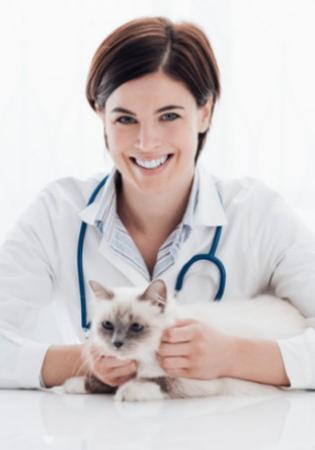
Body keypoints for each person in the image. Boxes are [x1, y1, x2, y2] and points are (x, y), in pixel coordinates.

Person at [0, 16, 315, 392]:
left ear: (205, 112)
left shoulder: (259, 215)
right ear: (101, 115)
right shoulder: (57, 212)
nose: (146, 142)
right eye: (125, 119)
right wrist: (87, 361)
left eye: (169, 116)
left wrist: (232, 356)